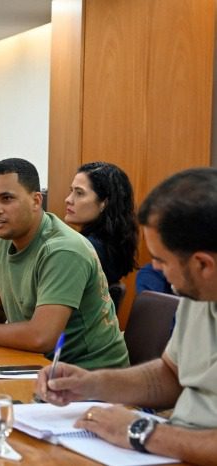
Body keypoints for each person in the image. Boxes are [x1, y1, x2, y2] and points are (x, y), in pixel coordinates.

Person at [36, 168, 217, 464]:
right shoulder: (197, 292)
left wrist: (140, 432)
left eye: (160, 260)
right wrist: (90, 384)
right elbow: (170, 375)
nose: (155, 270)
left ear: (203, 265)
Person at [0, 158, 128, 369]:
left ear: (36, 201)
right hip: (37, 364)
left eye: (6, 199)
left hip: (89, 376)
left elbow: (41, 337)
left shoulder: (63, 250)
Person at [64, 162, 137, 285]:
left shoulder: (86, 249)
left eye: (79, 193)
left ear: (104, 203)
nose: (68, 200)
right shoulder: (112, 245)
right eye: (71, 191)